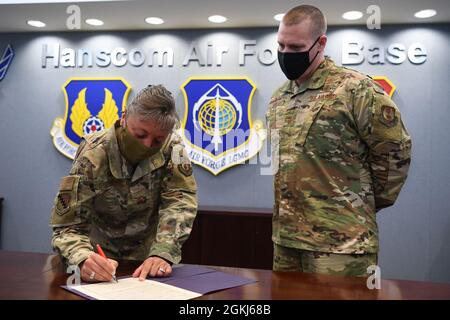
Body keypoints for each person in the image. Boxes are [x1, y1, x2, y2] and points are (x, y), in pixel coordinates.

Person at [266, 5, 411, 276]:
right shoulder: (279, 98)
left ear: (320, 43)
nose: (285, 55)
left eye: (296, 48)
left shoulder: (355, 89)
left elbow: (395, 153)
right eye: (281, 46)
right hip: (286, 242)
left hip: (342, 244)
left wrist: (358, 202)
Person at [50, 85, 197, 282]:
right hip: (97, 260)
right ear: (125, 116)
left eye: (157, 141)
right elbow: (67, 225)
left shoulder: (173, 148)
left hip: (147, 263)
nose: (146, 145)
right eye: (140, 134)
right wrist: (82, 258)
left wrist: (163, 252)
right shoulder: (94, 152)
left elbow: (179, 203)